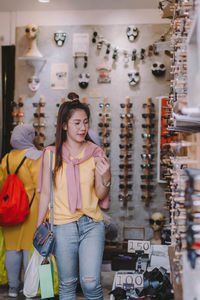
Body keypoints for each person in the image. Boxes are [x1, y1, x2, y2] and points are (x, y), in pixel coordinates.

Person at [37, 100, 111, 300]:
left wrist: (106, 178)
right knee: (67, 284)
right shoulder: (51, 155)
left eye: (85, 122)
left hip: (91, 224)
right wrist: (39, 229)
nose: (82, 128)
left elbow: (100, 195)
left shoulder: (96, 153)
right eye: (77, 123)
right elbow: (45, 193)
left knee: (91, 283)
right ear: (64, 125)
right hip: (62, 226)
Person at [0, 124, 42, 297]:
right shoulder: (36, 157)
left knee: (11, 249)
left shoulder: (7, 158)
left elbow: (2, 184)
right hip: (32, 208)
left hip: (10, 210)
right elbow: (40, 186)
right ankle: (28, 288)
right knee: (28, 249)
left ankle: (12, 288)